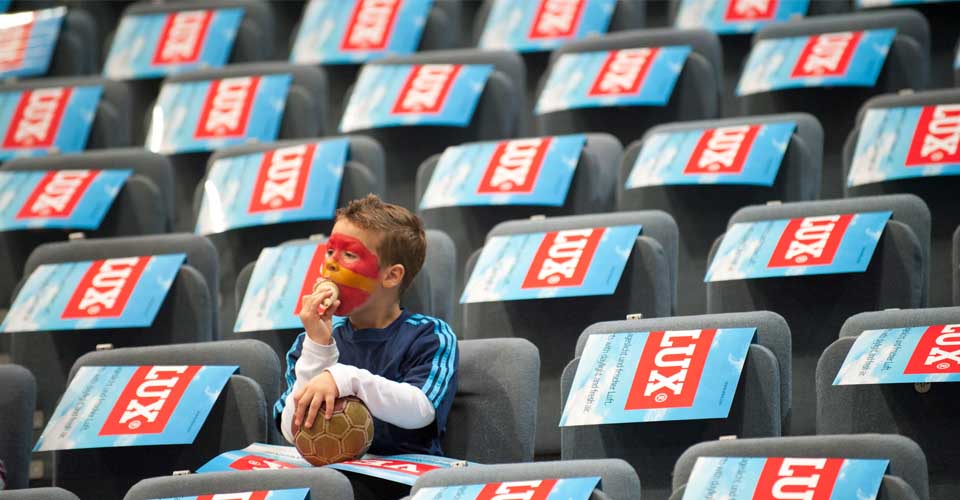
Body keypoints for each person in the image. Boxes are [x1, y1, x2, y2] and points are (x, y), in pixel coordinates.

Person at [275, 195, 458, 456]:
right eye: (329, 252)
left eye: (349, 254)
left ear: (392, 275)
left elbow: (421, 410)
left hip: (402, 480)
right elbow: (293, 432)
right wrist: (318, 349)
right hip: (333, 478)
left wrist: (346, 379)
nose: (330, 264)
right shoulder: (310, 341)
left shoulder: (430, 335)